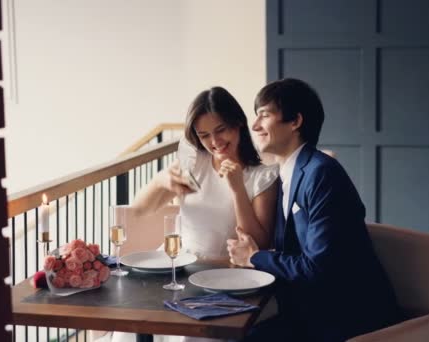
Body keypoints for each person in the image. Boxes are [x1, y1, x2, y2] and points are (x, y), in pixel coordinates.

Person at [227, 78, 403, 341]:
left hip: (346, 318)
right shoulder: (290, 173)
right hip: (307, 312)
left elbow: (319, 268)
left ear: (295, 121)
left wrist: (255, 257)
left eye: (264, 115)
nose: (254, 126)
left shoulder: (321, 174)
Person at [106, 86, 278, 342]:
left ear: (238, 123)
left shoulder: (263, 175)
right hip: (178, 268)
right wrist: (161, 181)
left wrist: (237, 188)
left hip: (228, 277)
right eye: (204, 135)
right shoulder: (195, 163)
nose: (215, 142)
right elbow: (141, 208)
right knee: (126, 330)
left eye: (221, 130)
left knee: (192, 337)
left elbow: (259, 244)